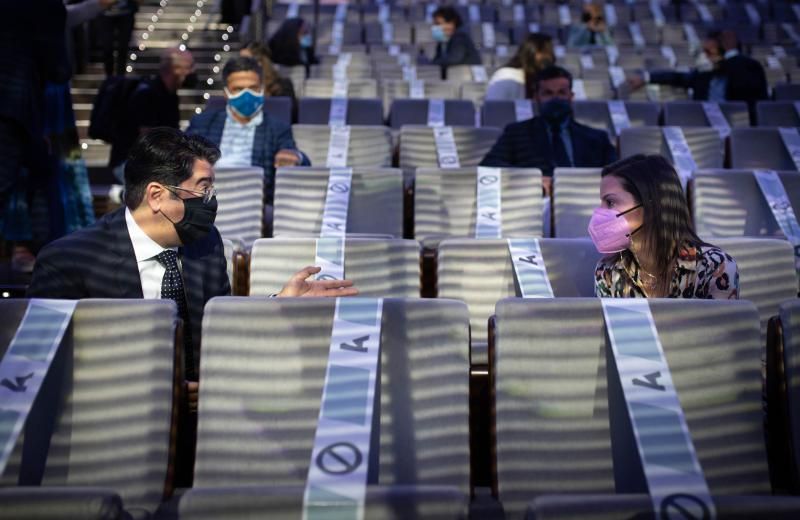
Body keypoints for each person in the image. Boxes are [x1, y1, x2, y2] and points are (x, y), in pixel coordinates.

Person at [28, 128, 357, 376]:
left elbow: (217, 330)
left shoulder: (205, 243)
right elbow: (47, 364)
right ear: (156, 195)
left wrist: (276, 306)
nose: (211, 200)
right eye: (203, 189)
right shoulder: (69, 261)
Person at [591, 154, 738, 299]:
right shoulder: (608, 271)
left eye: (610, 202)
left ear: (651, 206)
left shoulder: (715, 267)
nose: (599, 212)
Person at [185, 56, 309, 206]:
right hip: (206, 198)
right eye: (238, 89)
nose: (247, 95)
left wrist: (295, 156)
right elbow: (180, 158)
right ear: (226, 93)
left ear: (262, 90)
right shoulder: (203, 123)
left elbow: (298, 159)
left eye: (253, 88)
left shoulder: (277, 128)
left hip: (253, 202)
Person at [480, 66, 617, 195]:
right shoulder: (516, 132)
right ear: (536, 98)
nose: (555, 99)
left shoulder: (597, 138)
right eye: (548, 93)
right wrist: (532, 179)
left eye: (561, 93)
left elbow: (618, 173)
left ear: (571, 97)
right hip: (536, 200)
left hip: (585, 201)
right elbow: (489, 165)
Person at [627, 30, 768, 115]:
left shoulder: (748, 67)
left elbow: (743, 82)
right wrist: (646, 78)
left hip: (737, 126)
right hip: (706, 127)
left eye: (709, 52)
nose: (704, 57)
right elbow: (678, 78)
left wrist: (729, 54)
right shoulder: (704, 75)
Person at [109, 47, 195, 175]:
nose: (193, 72)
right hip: (131, 164)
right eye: (190, 67)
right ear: (175, 69)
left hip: (152, 162)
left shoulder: (170, 95)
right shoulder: (146, 94)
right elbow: (149, 140)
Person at [486, 33, 555, 101]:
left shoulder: (540, 80)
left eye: (550, 53)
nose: (548, 58)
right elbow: (494, 109)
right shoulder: (507, 76)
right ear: (530, 52)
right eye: (543, 52)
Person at [97, 0, 139, 76]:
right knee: (107, 48)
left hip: (126, 13)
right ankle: (109, 77)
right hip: (105, 13)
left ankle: (120, 77)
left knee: (123, 47)